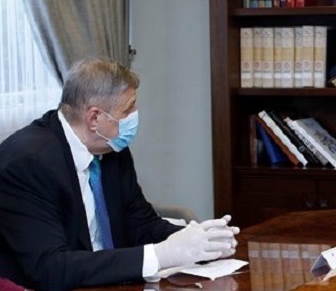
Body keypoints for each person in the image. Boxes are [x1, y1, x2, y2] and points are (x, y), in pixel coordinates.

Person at [0, 58, 239, 291]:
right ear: (94, 118)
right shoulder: (27, 163)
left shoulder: (110, 147)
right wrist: (162, 254)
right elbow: (52, 269)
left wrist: (200, 242)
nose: (135, 115)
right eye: (128, 109)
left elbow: (141, 224)